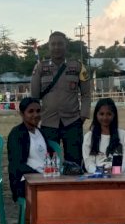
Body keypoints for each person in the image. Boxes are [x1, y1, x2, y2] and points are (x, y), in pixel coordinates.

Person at [6, 98, 66, 224]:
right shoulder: (16, 134)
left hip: (44, 180)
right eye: (31, 111)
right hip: (25, 181)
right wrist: (39, 176)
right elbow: (17, 165)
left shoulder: (40, 132)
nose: (35, 115)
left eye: (38, 111)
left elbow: (50, 158)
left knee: (69, 195)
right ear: (22, 114)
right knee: (54, 197)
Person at [31, 31, 91, 166]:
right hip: (48, 123)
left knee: (74, 162)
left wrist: (82, 116)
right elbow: (34, 97)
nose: (56, 47)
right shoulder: (40, 68)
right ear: (49, 47)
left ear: (66, 46)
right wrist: (36, 119)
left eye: (60, 44)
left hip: (73, 122)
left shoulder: (78, 67)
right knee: (50, 163)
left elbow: (86, 95)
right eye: (53, 44)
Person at [82, 98, 125, 174]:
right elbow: (89, 164)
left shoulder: (124, 136)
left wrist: (114, 171)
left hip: (119, 178)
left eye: (109, 114)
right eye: (101, 114)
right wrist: (100, 172)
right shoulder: (88, 137)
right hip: (97, 179)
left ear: (114, 115)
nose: (105, 118)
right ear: (96, 115)